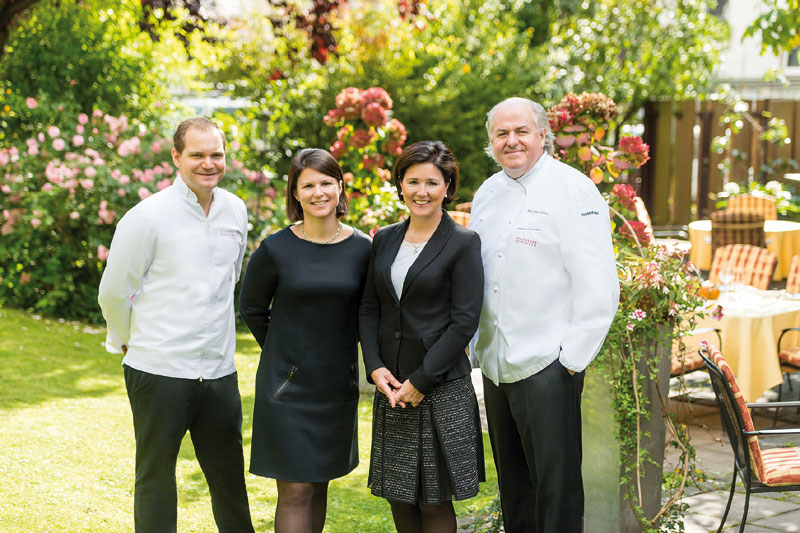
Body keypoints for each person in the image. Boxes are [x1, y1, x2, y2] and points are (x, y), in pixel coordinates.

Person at [468, 97, 620, 533]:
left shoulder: (573, 189)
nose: (511, 141)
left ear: (542, 135)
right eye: (501, 134)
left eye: (521, 132)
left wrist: (568, 362)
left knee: (557, 494)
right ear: (491, 141)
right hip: (497, 367)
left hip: (548, 366)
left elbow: (599, 284)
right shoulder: (487, 194)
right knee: (515, 491)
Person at [97, 117, 254, 532]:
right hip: (158, 370)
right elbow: (113, 292)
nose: (208, 163)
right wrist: (126, 340)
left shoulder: (236, 210)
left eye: (216, 154)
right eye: (197, 155)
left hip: (220, 372)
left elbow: (230, 280)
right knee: (155, 477)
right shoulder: (147, 217)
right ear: (176, 157)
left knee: (229, 482)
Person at [238, 148, 371, 533]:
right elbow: (252, 308)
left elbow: (368, 312)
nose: (318, 192)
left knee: (318, 483)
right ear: (295, 194)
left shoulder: (363, 248)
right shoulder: (276, 248)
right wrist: (287, 355)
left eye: (326, 183)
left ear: (340, 186)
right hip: (287, 386)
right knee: (295, 490)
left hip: (336, 386)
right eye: (307, 185)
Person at [359, 141, 485, 533]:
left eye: (432, 182)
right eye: (412, 181)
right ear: (400, 184)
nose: (422, 191)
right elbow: (369, 307)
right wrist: (375, 367)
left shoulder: (463, 242)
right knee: (398, 493)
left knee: (433, 498)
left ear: (448, 186)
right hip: (392, 384)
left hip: (438, 385)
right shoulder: (385, 238)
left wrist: (421, 382)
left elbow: (464, 323)